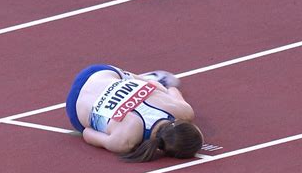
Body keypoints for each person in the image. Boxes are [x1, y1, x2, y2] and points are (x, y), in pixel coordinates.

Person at [65, 64, 203, 162]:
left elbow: (172, 89)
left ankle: (148, 80)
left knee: (159, 88)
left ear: (181, 122)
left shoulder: (184, 112)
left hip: (98, 72)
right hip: (74, 107)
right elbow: (87, 133)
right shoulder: (125, 143)